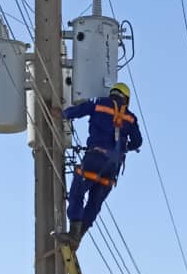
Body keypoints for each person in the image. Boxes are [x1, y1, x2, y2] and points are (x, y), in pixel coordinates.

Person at [57, 82, 142, 249]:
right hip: (113, 167)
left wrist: (63, 114)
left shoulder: (99, 103)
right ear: (126, 99)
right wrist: (125, 148)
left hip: (95, 158)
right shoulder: (131, 118)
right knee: (95, 202)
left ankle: (73, 231)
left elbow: (79, 111)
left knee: (78, 191)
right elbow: (138, 141)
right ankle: (79, 236)